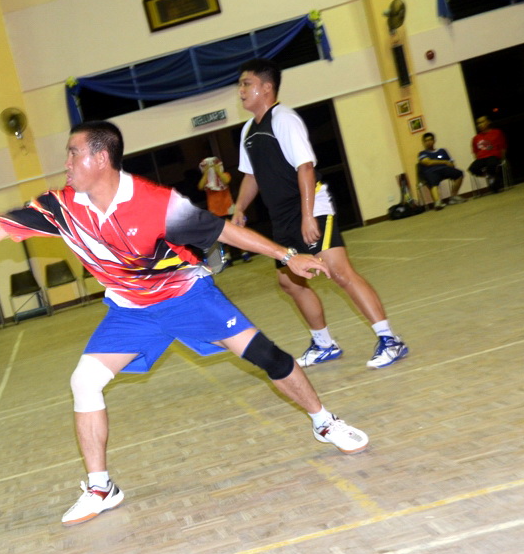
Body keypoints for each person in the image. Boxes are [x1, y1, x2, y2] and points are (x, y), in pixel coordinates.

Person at [0, 121, 370, 526]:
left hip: (187, 295)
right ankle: (102, 488)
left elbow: (223, 230)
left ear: (100, 158)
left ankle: (325, 423)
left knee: (267, 356)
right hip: (131, 310)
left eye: (73, 153)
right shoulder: (59, 208)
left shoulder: (154, 203)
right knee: (84, 381)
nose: (66, 162)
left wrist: (288, 255)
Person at [232, 58, 409, 371]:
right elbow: (252, 175)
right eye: (240, 85)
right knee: (290, 283)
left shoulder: (284, 119)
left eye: (247, 84)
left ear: (266, 87)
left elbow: (305, 167)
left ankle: (390, 340)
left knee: (339, 272)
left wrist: (307, 215)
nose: (241, 90)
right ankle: (324, 344)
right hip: (282, 216)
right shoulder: (249, 130)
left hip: (310, 206)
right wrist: (239, 209)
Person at [198, 156, 250, 267]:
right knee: (222, 235)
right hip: (215, 211)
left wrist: (217, 170)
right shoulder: (207, 180)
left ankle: (244, 253)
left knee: (236, 231)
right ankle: (227, 257)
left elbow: (226, 180)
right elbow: (200, 186)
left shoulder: (224, 175)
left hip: (228, 208)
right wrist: (207, 172)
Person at [417, 132, 466, 210]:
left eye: (430, 140)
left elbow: (451, 163)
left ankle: (454, 196)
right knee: (433, 181)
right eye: (426, 141)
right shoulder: (422, 153)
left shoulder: (442, 151)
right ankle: (437, 202)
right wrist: (444, 162)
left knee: (459, 174)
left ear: (434, 141)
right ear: (423, 142)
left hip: (444, 169)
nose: (428, 142)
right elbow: (427, 162)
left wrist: (450, 164)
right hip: (431, 172)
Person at [468, 115, 507, 193]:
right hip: (482, 158)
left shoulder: (497, 132)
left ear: (488, 122)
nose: (480, 125)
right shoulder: (476, 138)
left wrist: (501, 158)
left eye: (482, 122)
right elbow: (475, 152)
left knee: (491, 164)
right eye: (478, 123)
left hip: (493, 155)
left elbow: (503, 147)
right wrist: (479, 159)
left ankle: (494, 183)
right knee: (472, 168)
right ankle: (489, 176)